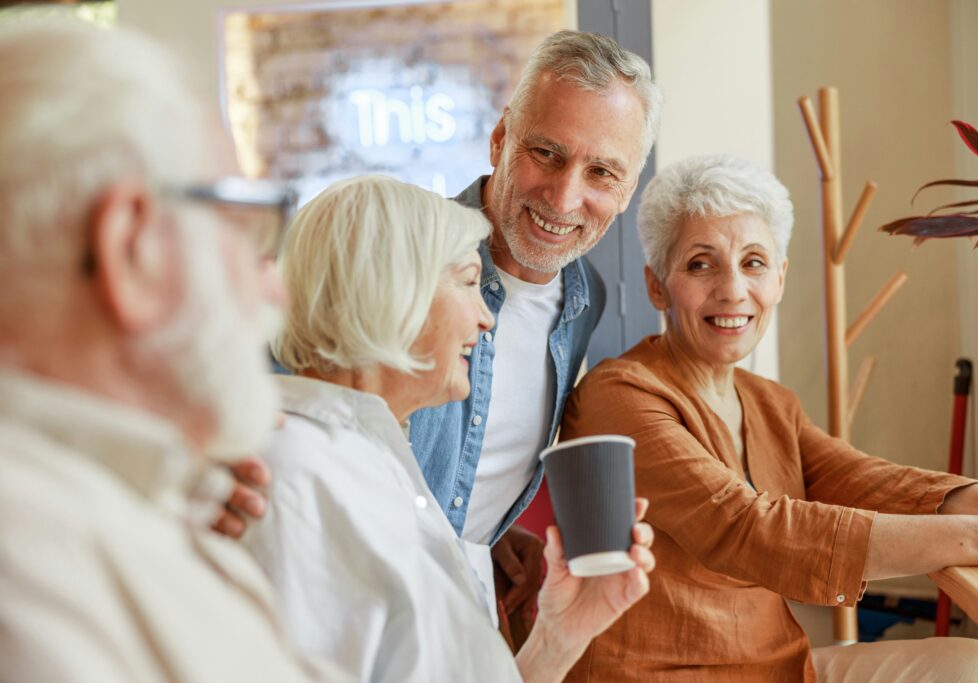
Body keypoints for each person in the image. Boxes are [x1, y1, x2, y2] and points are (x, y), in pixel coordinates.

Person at [558, 154, 978, 682]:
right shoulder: (618, 396)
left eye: (753, 262)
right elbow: (744, 528)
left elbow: (872, 483)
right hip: (660, 675)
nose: (733, 290)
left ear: (778, 278)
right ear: (657, 285)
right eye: (700, 263)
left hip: (778, 669)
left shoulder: (768, 401)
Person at [0, 18, 349, 683]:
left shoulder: (121, 508)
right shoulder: (29, 574)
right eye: (248, 228)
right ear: (134, 250)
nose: (274, 287)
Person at [243, 175, 656, 682]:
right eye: (467, 282)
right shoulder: (288, 479)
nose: (486, 319)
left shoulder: (384, 466)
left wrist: (559, 635)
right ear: (390, 291)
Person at [407, 29, 662, 621]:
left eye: (602, 172)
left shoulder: (584, 296)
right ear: (500, 139)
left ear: (626, 192)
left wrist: (482, 537)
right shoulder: (404, 256)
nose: (565, 196)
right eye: (546, 153)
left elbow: (476, 456)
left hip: (458, 610)